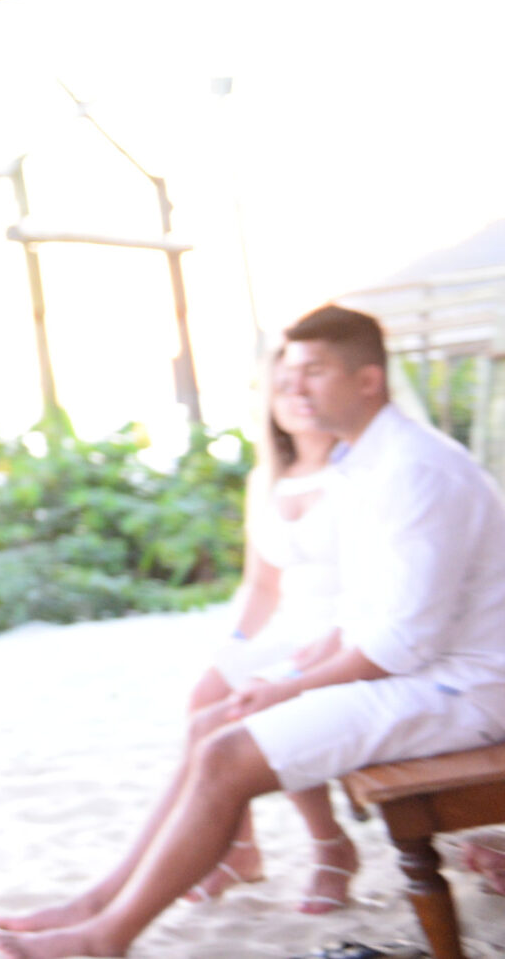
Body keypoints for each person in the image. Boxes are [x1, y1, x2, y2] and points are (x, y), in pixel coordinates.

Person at [0, 305, 505, 958]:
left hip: (468, 688)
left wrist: (290, 689)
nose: (296, 387)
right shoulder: (363, 462)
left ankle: (106, 935)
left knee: (226, 756)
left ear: (369, 379)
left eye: (315, 371)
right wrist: (281, 677)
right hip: (420, 675)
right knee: (213, 726)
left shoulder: (416, 468)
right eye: (290, 372)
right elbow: (358, 612)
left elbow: (402, 643)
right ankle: (100, 902)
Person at [182, 349, 351, 914]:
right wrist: (230, 650)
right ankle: (237, 848)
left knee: (263, 701)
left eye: (307, 383)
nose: (296, 398)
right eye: (282, 389)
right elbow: (261, 586)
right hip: (288, 623)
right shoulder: (267, 480)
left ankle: (331, 844)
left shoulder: (358, 469)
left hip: (342, 625)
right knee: (206, 693)